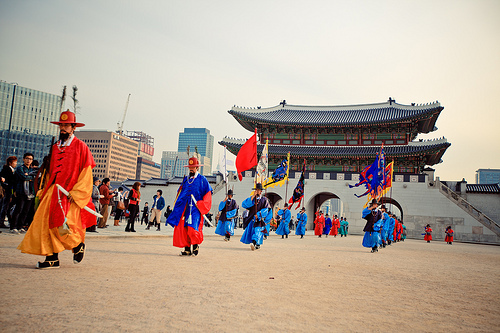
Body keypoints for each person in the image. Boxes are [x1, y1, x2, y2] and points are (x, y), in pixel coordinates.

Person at [18, 110, 96, 269]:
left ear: (73, 128)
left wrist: (77, 192)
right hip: (52, 191)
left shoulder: (81, 147)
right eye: (61, 125)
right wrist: (43, 188)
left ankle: (77, 245)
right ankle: (51, 257)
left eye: (66, 125)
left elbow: (86, 172)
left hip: (69, 194)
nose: (63, 128)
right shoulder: (55, 147)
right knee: (45, 223)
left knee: (62, 224)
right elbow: (49, 171)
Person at [166, 157, 212, 256]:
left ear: (197, 167)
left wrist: (202, 205)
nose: (191, 170)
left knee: (193, 228)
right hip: (185, 208)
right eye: (190, 168)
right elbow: (180, 193)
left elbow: (208, 193)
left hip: (195, 208)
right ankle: (187, 249)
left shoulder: (202, 180)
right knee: (183, 228)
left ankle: (195, 246)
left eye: (193, 168)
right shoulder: (186, 179)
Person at [240, 183, 271, 251]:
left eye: (259, 190)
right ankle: (256, 244)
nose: (257, 191)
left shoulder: (264, 199)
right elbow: (245, 205)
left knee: (258, 231)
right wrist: (253, 196)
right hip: (252, 218)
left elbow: (266, 209)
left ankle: (254, 244)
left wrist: (259, 214)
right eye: (256, 190)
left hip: (259, 219)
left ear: (261, 191)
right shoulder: (252, 199)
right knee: (252, 231)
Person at [10, 153, 35, 234]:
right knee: (18, 209)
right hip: (21, 191)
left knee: (25, 211)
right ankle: (13, 227)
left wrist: (30, 177)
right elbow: (23, 177)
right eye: (27, 158)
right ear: (23, 159)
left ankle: (20, 226)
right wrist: (31, 177)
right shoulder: (19, 168)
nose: (29, 160)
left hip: (30, 193)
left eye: (30, 159)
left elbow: (35, 178)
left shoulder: (31, 170)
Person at [0, 156, 18, 229]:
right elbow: (10, 180)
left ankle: (2, 221)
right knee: (4, 206)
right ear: (10, 163)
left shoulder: (10, 169)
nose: (16, 164)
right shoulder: (7, 169)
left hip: (8, 190)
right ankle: (1, 222)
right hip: (6, 191)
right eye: (15, 162)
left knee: (5, 206)